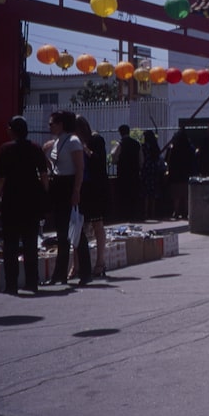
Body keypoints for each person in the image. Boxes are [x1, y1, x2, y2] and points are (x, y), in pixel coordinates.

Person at [0, 116, 49, 294]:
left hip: (11, 200)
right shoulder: (35, 148)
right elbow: (44, 175)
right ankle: (32, 282)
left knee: (10, 244)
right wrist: (44, 194)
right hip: (31, 200)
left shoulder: (5, 149)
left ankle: (11, 284)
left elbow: (1, 178)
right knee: (30, 243)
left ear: (13, 130)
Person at [46, 110, 91, 285]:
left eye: (52, 123)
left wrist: (76, 190)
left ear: (61, 124)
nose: (50, 126)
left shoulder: (73, 141)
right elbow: (55, 166)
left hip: (69, 184)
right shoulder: (56, 142)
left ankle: (85, 272)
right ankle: (59, 273)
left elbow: (79, 168)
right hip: (58, 184)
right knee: (62, 233)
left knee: (76, 231)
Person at [75, 115, 110, 279]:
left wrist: (85, 149)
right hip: (83, 187)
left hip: (95, 188)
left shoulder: (96, 140)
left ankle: (100, 262)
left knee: (97, 224)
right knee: (80, 227)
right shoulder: (75, 144)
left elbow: (100, 161)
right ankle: (78, 264)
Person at [111, 124, 142, 221]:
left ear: (120, 133)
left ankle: (124, 214)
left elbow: (114, 156)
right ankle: (134, 214)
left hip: (123, 173)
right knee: (134, 194)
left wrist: (115, 161)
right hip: (134, 173)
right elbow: (141, 159)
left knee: (123, 194)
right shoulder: (137, 144)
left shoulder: (120, 144)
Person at [165, 129, 196, 220]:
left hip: (175, 174)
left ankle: (176, 211)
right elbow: (193, 161)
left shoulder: (173, 148)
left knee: (176, 195)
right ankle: (186, 212)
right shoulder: (190, 148)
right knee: (186, 195)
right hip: (187, 174)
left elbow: (167, 160)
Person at [140, 130, 163, 220]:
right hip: (154, 169)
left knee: (146, 192)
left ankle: (145, 212)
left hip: (146, 169)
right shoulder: (155, 147)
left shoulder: (143, 147)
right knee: (153, 192)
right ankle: (152, 212)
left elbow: (141, 158)